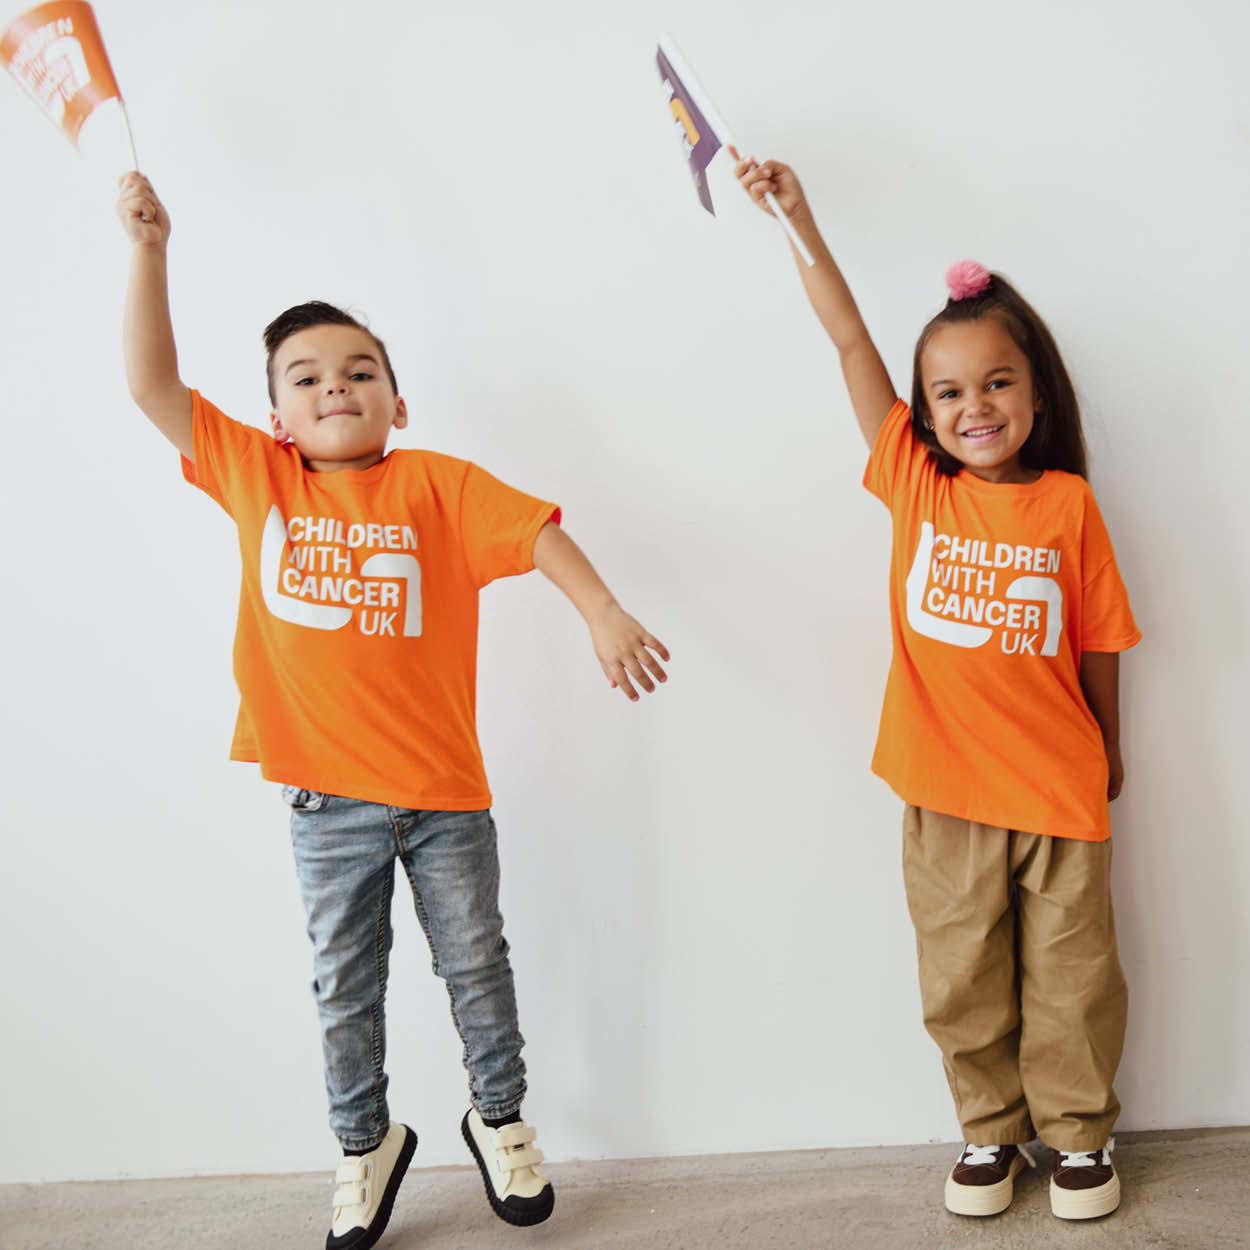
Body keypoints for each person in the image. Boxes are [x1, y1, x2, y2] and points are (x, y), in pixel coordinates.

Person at [116, 171, 670, 1250]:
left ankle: (500, 1120)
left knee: (477, 966)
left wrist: (602, 609)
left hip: (445, 797)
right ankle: (363, 1144)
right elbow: (149, 384)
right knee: (345, 987)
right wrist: (149, 249)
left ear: (397, 403)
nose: (336, 386)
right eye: (308, 377)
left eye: (360, 370)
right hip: (325, 804)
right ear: (276, 415)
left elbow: (538, 533)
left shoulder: (437, 485)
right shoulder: (257, 476)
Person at [733, 152, 1138, 1222]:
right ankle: (988, 1131)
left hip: (1057, 786)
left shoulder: (1067, 505)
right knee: (961, 973)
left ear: (1035, 390)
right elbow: (849, 340)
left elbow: (1100, 638)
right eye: (948, 391)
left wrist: (1112, 748)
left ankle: (1078, 1136)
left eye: (996, 382)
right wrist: (797, 219)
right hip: (945, 788)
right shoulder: (915, 483)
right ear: (922, 411)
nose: (974, 406)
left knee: (1073, 973)